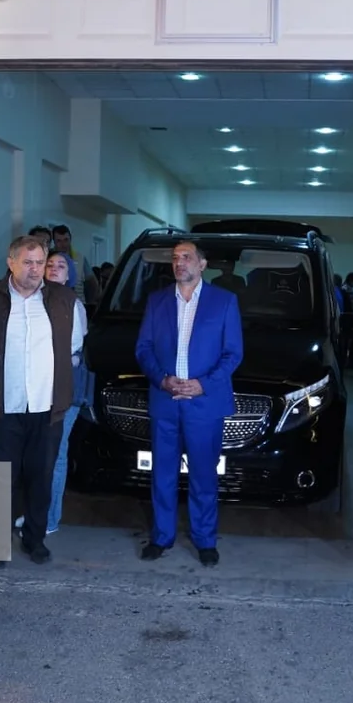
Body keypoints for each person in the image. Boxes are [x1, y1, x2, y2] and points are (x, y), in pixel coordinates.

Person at [135, 241, 243, 567]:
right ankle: (161, 537)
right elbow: (144, 348)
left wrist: (202, 384)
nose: (179, 263)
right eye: (175, 258)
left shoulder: (224, 302)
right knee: (162, 474)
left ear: (202, 264)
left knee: (203, 476)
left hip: (204, 404)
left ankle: (205, 540)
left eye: (187, 257)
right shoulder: (157, 301)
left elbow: (233, 353)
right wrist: (162, 380)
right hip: (166, 401)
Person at [0, 236, 80, 566]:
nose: (35, 270)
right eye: (28, 262)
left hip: (46, 406)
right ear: (11, 262)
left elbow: (73, 348)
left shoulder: (65, 299)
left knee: (41, 476)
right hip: (1, 405)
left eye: (40, 263)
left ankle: (35, 539)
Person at [42, 251, 88, 536]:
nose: (54, 269)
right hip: (40, 389)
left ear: (69, 274)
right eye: (50, 264)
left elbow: (72, 350)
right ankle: (37, 512)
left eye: (61, 266)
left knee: (57, 453)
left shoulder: (74, 304)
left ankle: (50, 518)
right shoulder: (35, 300)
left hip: (65, 390)